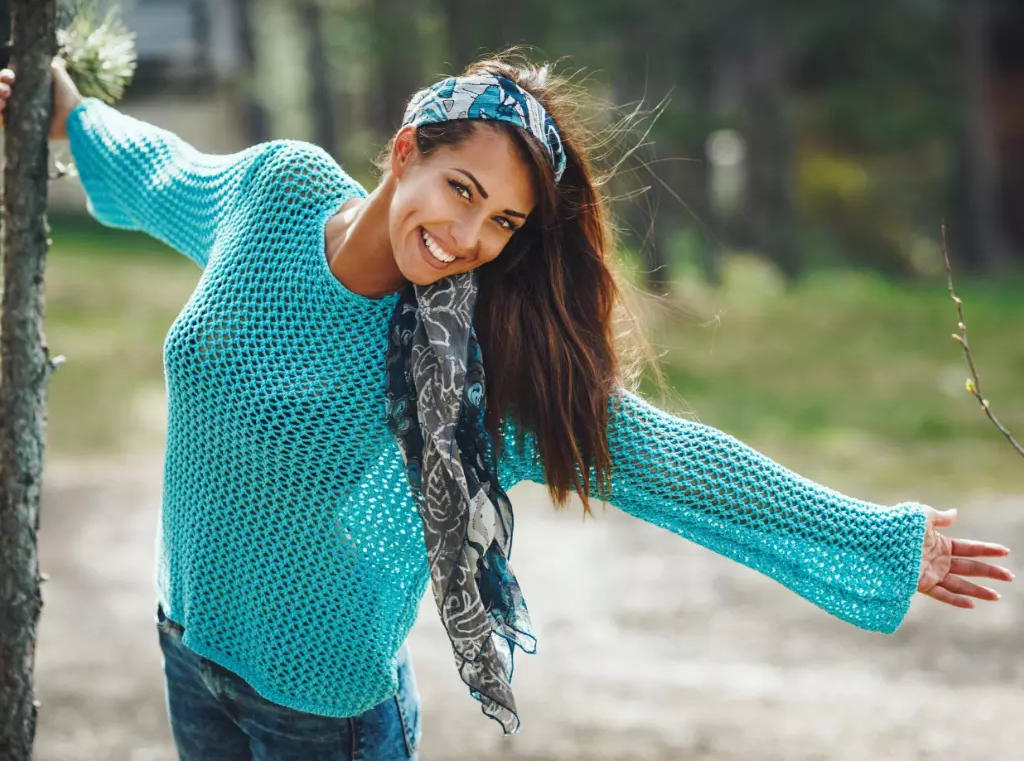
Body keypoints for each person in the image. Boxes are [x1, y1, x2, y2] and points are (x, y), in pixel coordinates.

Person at [1, 53, 1012, 761]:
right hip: (190, 649)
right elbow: (160, 173)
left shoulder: (464, 363)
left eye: (502, 222)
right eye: (459, 187)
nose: (467, 234)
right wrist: (71, 115)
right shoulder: (275, 190)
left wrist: (872, 538)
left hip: (324, 707)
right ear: (404, 149)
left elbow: (663, 457)